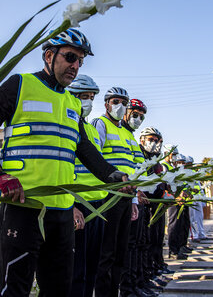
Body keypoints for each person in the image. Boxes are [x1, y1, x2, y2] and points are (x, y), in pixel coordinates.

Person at [0, 29, 127, 297]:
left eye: (80, 61)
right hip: (23, 205)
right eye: (70, 57)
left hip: (62, 212)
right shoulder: (18, 85)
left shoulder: (72, 103)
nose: (75, 66)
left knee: (59, 289)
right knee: (14, 289)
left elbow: (84, 148)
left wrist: (112, 176)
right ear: (48, 55)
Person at [90, 87, 137, 297]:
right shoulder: (100, 124)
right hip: (110, 195)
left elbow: (132, 165)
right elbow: (95, 159)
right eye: (115, 101)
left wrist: (136, 195)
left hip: (127, 196)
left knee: (121, 251)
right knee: (106, 252)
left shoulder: (126, 133)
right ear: (106, 104)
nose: (120, 106)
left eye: (123, 102)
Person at [67, 74, 107, 297]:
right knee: (76, 269)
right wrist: (71, 204)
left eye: (91, 97)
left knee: (93, 264)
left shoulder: (91, 130)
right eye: (83, 96)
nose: (88, 102)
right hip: (77, 203)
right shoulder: (66, 125)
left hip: (97, 204)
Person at [118, 99, 160, 297]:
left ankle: (137, 282)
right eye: (135, 114)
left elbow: (137, 170)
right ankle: (127, 288)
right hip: (121, 197)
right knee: (128, 246)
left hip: (136, 198)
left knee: (139, 243)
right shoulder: (115, 131)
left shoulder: (129, 136)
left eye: (141, 116)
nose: (138, 119)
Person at [138, 127, 172, 279]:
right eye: (151, 140)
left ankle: (157, 265)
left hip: (158, 205)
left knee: (158, 237)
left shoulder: (158, 162)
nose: (154, 143)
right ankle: (147, 271)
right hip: (143, 204)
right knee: (145, 241)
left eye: (157, 141)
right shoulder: (140, 156)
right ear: (142, 140)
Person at [163, 147, 192, 260]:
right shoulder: (165, 166)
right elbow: (165, 184)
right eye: (173, 154)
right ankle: (173, 250)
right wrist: (176, 196)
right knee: (174, 224)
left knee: (181, 224)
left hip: (180, 199)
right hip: (172, 199)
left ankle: (180, 246)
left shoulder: (173, 167)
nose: (174, 156)